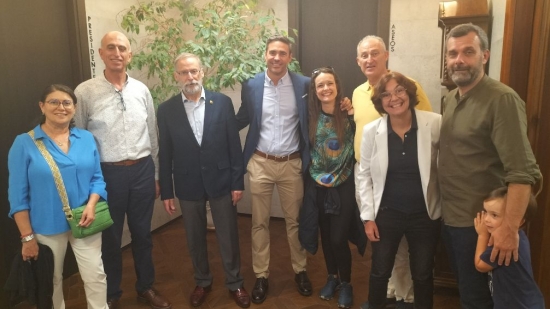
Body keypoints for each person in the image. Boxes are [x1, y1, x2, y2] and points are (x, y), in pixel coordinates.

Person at [439, 23, 541, 309]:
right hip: (453, 218)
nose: (458, 59)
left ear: (484, 55)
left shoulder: (501, 99)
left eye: (467, 52)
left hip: (485, 225)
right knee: (469, 294)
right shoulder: (450, 99)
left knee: (479, 300)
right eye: (453, 53)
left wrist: (508, 228)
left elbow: (522, 172)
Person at [74, 31, 171, 309]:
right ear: (101, 53)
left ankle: (146, 287)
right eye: (111, 48)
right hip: (106, 175)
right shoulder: (85, 91)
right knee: (110, 238)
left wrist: (154, 175)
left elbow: (152, 136)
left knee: (143, 234)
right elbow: (79, 138)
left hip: (142, 170)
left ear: (130, 55)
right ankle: (112, 294)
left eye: (122, 48)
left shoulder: (141, 90)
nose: (117, 53)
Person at [157, 52, 250, 308]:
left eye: (194, 71)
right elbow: (165, 152)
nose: (190, 76)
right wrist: (167, 190)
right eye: (184, 72)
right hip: (188, 184)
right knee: (194, 237)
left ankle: (235, 282)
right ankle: (203, 281)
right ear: (176, 76)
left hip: (221, 180)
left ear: (202, 72)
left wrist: (237, 182)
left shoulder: (222, 103)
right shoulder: (166, 110)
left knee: (228, 235)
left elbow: (234, 143)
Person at [8, 84, 108, 309]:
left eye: (66, 102)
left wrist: (92, 205)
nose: (61, 107)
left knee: (96, 275)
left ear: (74, 108)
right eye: (54, 102)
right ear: (42, 106)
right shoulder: (24, 143)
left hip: (86, 219)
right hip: (46, 226)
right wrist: (27, 237)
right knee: (51, 282)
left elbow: (97, 178)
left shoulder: (86, 138)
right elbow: (17, 197)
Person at [352, 35, 433, 309]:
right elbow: (363, 174)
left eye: (399, 91)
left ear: (410, 94)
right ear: (379, 102)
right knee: (379, 271)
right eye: (385, 94)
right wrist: (368, 217)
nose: (393, 98)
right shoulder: (371, 129)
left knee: (422, 274)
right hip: (386, 211)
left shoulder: (434, 125)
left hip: (425, 214)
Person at [235, 34, 312, 303]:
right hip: (260, 163)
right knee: (259, 223)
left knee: (295, 222)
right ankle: (261, 275)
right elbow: (244, 117)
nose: (276, 58)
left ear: (290, 57)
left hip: (292, 164)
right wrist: (216, 129)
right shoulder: (252, 85)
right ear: (265, 55)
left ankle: (300, 271)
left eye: (282, 53)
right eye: (272, 53)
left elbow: (314, 116)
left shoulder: (304, 84)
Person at [298, 67, 366, 308]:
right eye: (320, 85)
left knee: (339, 238)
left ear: (337, 86)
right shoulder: (309, 116)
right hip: (318, 186)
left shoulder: (350, 113)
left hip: (344, 184)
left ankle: (346, 283)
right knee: (326, 237)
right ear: (314, 91)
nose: (325, 88)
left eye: (329, 84)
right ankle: (332, 278)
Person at [473, 187, 545, 309]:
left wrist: (482, 235)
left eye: (494, 215)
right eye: (486, 212)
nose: (486, 219)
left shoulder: (504, 243)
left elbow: (480, 265)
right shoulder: (519, 236)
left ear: (519, 220)